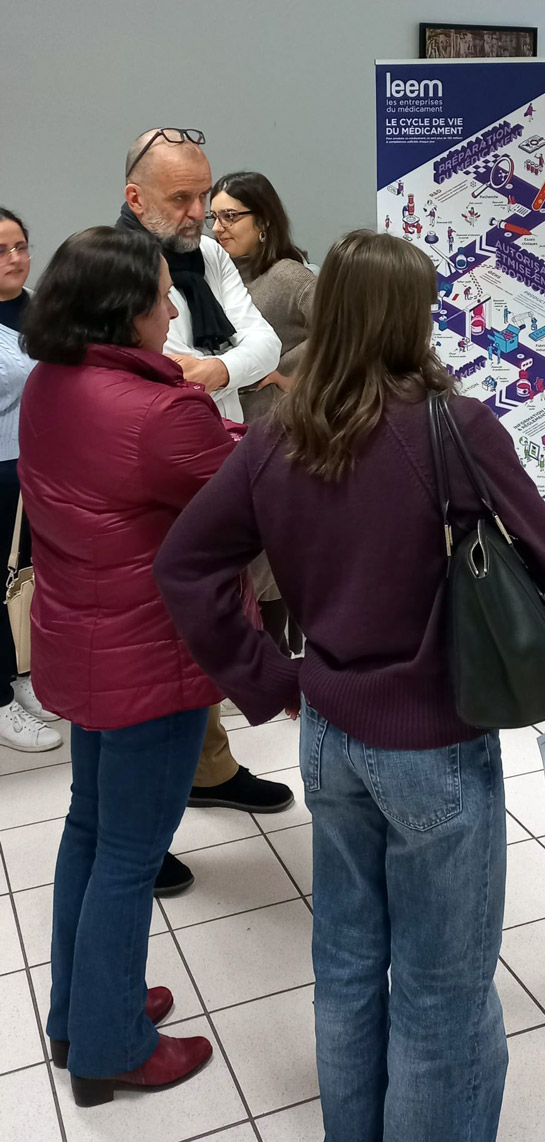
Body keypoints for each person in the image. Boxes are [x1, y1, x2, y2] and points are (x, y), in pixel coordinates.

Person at [154, 230, 545, 1142]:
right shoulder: (453, 426)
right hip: (434, 745)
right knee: (443, 989)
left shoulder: (279, 434)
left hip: (329, 736)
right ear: (412, 317)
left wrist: (269, 680)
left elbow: (186, 564)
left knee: (347, 965)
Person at [17, 226, 242, 1104]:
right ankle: (111, 1047)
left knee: (90, 828)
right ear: (123, 310)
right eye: (159, 295)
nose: (172, 308)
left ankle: (80, 1011)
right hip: (150, 655)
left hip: (83, 643)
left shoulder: (51, 380)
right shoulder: (159, 412)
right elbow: (244, 496)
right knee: (130, 855)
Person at [117, 128, 293, 895]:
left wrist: (215, 370)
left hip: (209, 461)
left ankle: (209, 770)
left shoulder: (208, 255)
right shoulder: (109, 265)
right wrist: (204, 376)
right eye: (182, 198)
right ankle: (133, 832)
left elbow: (264, 343)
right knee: (144, 659)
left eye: (205, 194)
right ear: (135, 198)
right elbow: (129, 375)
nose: (201, 213)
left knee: (204, 629)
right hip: (144, 479)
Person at [209, 172, 315, 650]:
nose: (219, 227)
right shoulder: (220, 275)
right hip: (230, 431)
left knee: (267, 553)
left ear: (265, 221)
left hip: (277, 434)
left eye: (231, 216)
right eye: (213, 217)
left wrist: (287, 376)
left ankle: (275, 657)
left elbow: (346, 332)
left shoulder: (289, 276)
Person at [0, 208, 62, 752]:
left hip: (43, 466)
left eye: (20, 246)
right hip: (1, 467)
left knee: (26, 578)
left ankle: (20, 677)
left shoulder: (39, 306)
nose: (15, 259)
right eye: (0, 251)